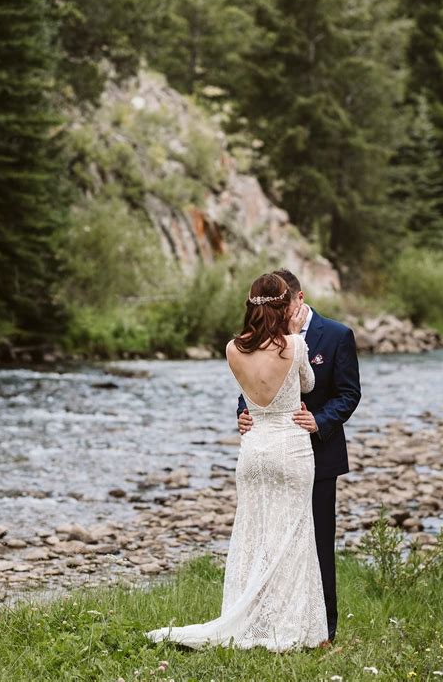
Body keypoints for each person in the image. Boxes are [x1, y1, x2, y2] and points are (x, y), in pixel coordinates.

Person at [145, 273, 329, 651]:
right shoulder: (295, 344)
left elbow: (251, 393)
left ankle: (251, 617)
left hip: (253, 448)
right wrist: (296, 334)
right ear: (284, 306)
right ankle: (295, 629)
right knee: (294, 535)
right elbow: (307, 385)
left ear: (250, 306)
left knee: (252, 536)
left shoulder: (233, 348)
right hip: (290, 447)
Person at [237, 268, 361, 642]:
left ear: (299, 299)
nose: (280, 314)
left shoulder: (337, 335)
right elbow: (250, 384)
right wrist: (242, 416)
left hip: (319, 454)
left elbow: (348, 393)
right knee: (269, 539)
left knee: (319, 539)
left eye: (285, 306)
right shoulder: (263, 337)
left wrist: (317, 421)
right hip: (272, 452)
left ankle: (324, 627)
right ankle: (269, 620)